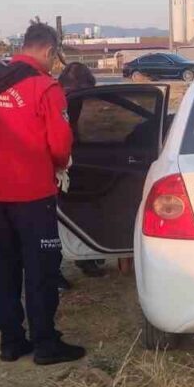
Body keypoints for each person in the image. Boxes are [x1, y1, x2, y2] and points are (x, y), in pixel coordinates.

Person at [0, 22, 84, 364]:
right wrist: (61, 164)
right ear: (49, 51)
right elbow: (60, 144)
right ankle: (45, 342)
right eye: (55, 58)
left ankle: (11, 341)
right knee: (41, 269)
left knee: (4, 267)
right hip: (33, 192)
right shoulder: (45, 88)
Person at [57, 61, 107, 282]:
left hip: (72, 159)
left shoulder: (69, 99)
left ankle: (86, 257)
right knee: (53, 221)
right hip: (56, 164)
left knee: (74, 213)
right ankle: (55, 271)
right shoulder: (60, 101)